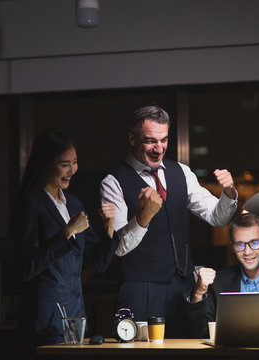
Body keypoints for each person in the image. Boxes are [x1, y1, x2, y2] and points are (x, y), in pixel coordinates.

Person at [100, 105, 238, 337]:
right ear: (132, 138)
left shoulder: (181, 172)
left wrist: (230, 193)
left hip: (181, 287)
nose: (159, 149)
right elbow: (119, 248)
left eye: (164, 140)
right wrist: (143, 217)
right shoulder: (113, 182)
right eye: (150, 141)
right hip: (139, 289)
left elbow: (217, 216)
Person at [10, 129, 119, 346]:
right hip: (45, 321)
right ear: (46, 165)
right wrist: (67, 232)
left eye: (75, 162)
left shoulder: (74, 203)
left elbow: (98, 264)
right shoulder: (32, 206)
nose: (72, 170)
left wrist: (109, 224)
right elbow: (26, 268)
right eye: (64, 164)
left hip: (76, 318)